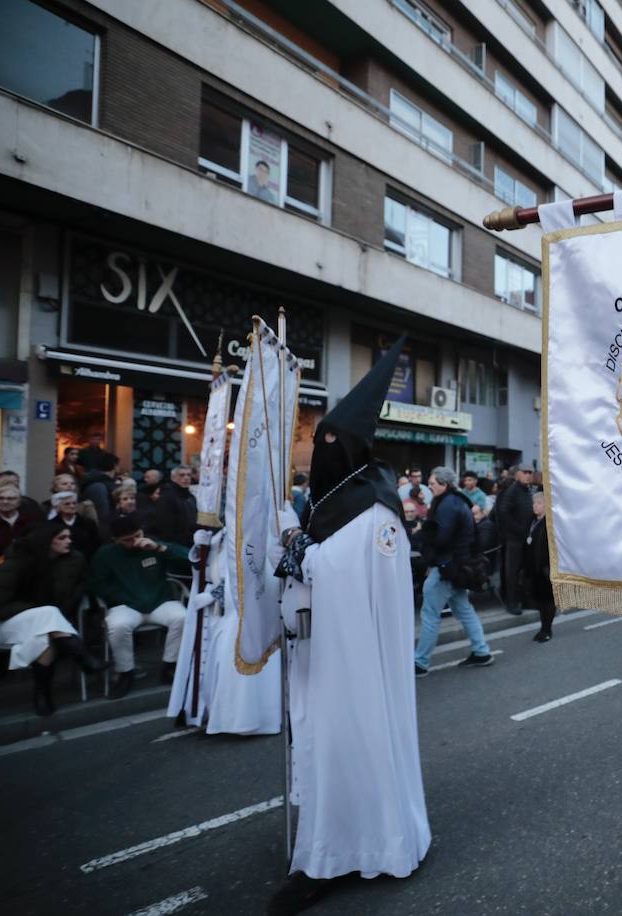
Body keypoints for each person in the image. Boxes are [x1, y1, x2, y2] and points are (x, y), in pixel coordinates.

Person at [269, 336, 430, 910]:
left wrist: (294, 542)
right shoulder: (328, 498)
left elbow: (346, 577)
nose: (321, 448)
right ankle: (325, 845)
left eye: (330, 440)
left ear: (354, 445)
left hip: (356, 655)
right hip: (321, 648)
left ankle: (341, 853)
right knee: (322, 746)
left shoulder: (374, 507)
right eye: (317, 439)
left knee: (349, 744)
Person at [166, 527, 281, 735]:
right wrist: (199, 551)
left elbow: (253, 571)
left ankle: (241, 720)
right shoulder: (220, 534)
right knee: (214, 664)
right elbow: (207, 569)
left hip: (240, 611)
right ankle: (213, 714)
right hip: (219, 612)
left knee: (234, 661)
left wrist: (217, 595)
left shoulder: (254, 528)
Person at [0, 522, 107, 716]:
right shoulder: (17, 561)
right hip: (0, 624)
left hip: (49, 624)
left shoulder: (74, 561)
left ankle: (42, 694)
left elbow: (79, 589)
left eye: (69, 537)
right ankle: (84, 658)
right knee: (47, 614)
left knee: (44, 637)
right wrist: (34, 610)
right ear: (45, 541)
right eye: (62, 538)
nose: (69, 541)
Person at [88, 515, 189, 698]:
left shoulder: (152, 546)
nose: (135, 541)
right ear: (116, 540)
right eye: (128, 539)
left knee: (182, 618)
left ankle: (170, 665)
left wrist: (160, 548)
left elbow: (189, 559)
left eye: (137, 535)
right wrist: (123, 598)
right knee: (117, 626)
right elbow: (97, 585)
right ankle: (125, 672)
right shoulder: (105, 554)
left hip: (159, 601)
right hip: (126, 605)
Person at [414, 467, 491, 676]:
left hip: (448, 567)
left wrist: (421, 537)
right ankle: (481, 651)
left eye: (432, 483)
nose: (428, 486)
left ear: (443, 484)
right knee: (464, 610)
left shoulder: (448, 504)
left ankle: (420, 663)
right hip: (459, 566)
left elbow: (441, 538)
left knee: (430, 614)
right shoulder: (457, 500)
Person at [496, 464, 536, 615]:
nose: (528, 475)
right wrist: (518, 530)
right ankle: (511, 602)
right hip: (514, 539)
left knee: (524, 571)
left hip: (525, 538)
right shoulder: (512, 490)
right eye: (525, 472)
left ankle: (525, 600)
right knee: (512, 572)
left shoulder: (527, 490)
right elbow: (503, 513)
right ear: (517, 474)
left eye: (530, 473)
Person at [520, 490, 556, 642]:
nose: (535, 506)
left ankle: (547, 630)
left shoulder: (550, 523)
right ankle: (543, 627)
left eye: (539, 503)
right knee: (540, 600)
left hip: (546, 569)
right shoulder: (532, 521)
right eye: (534, 503)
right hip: (534, 568)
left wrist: (549, 567)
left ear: (547, 505)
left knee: (548, 600)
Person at [0, 481, 43, 568]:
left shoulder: (31, 520)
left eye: (10, 498)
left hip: (26, 569)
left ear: (19, 502)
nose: (5, 501)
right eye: (0, 498)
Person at [147, 465, 197, 546]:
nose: (186, 478)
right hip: (174, 543)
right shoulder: (166, 496)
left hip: (190, 541)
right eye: (182, 475)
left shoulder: (191, 497)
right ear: (173, 478)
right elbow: (165, 524)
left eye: (188, 475)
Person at [48, 491, 102, 559]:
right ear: (57, 507)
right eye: (67, 504)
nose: (72, 506)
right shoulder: (51, 524)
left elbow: (96, 544)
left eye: (74, 503)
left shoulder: (88, 523)